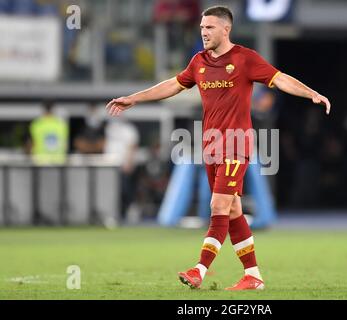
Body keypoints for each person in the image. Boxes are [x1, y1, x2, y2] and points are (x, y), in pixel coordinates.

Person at [106, 5, 331, 290]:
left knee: (218, 205)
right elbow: (172, 86)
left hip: (237, 145)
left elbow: (280, 78)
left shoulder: (245, 59)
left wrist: (311, 93)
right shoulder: (198, 62)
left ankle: (199, 269)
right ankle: (253, 276)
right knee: (234, 210)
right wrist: (134, 99)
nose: (204, 33)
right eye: (202, 28)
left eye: (210, 28)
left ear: (226, 29)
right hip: (211, 146)